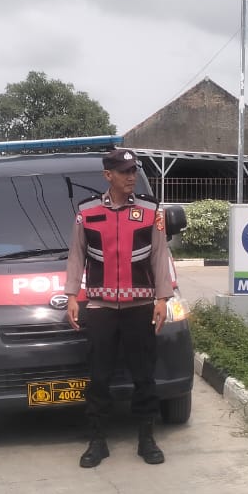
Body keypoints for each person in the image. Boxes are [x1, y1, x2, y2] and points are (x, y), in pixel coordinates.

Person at [64, 148, 174, 468]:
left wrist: (163, 299)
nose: (131, 177)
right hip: (100, 307)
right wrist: (72, 296)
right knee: (99, 377)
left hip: (140, 306)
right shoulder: (87, 211)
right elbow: (76, 255)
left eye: (133, 171)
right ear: (107, 175)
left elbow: (159, 256)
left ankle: (146, 438)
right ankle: (98, 440)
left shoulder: (150, 210)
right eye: (124, 172)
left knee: (144, 376)